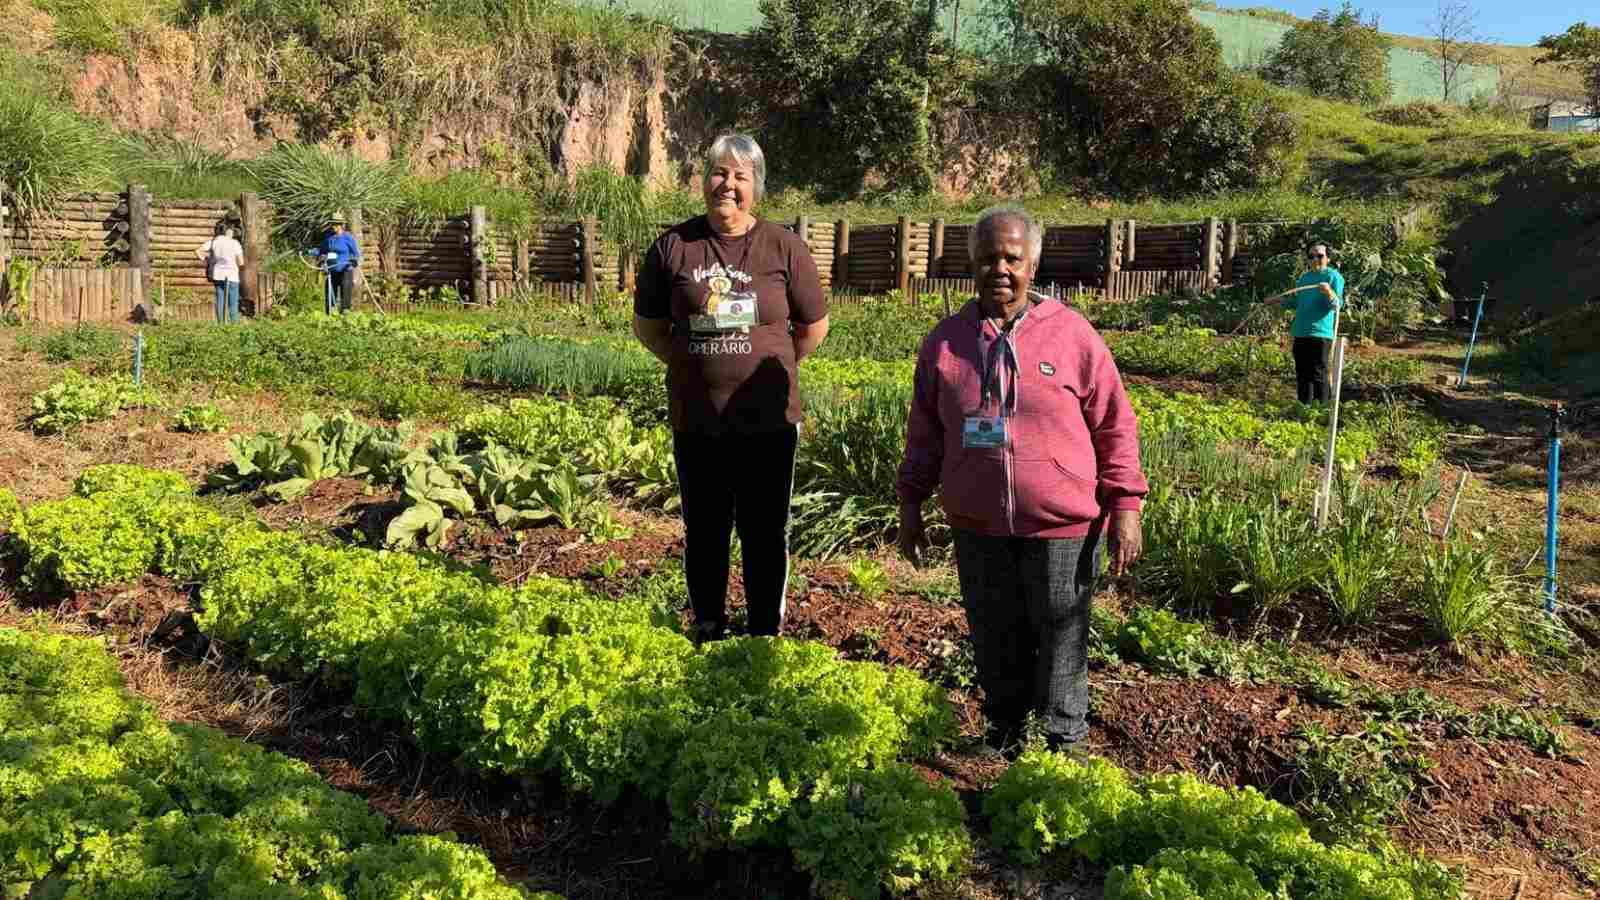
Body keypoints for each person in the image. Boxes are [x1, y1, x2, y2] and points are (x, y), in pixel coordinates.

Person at [896, 206, 1148, 754]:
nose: (1000, 269)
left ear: (1033, 264)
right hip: (978, 520)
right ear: (971, 264)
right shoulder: (945, 342)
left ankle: (1065, 739)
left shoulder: (1072, 335)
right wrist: (910, 503)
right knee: (993, 631)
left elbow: (1114, 423)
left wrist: (1126, 504)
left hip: (1062, 523)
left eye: (1012, 257)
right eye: (988, 258)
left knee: (1062, 633)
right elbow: (925, 433)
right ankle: (1003, 731)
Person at [632, 133, 830, 643]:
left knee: (766, 531)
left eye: (741, 176)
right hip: (698, 417)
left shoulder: (784, 246)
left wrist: (769, 363)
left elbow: (812, 328)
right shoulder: (674, 246)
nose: (728, 185)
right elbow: (649, 326)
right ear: (704, 181)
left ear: (756, 188)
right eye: (719, 173)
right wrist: (691, 363)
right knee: (705, 527)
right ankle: (708, 624)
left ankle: (765, 630)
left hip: (768, 422)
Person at [1262, 241, 1343, 404]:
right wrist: (1277, 300)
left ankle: (1323, 408)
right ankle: (1303, 407)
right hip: (1300, 331)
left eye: (1319, 256)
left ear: (1328, 258)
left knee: (1319, 373)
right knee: (1302, 373)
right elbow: (1297, 302)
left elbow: (1337, 305)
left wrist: (1328, 291)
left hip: (1320, 332)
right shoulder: (1305, 278)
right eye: (1311, 256)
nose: (1315, 259)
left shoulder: (1333, 276)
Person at [308, 214, 361, 315]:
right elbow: (321, 250)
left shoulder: (347, 237)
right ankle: (330, 317)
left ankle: (345, 317)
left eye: (336, 225)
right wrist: (310, 252)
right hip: (331, 271)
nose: (333, 227)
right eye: (332, 224)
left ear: (341, 225)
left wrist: (353, 261)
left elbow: (356, 254)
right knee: (330, 297)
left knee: (345, 296)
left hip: (345, 270)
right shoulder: (329, 238)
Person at [196, 223, 245, 324]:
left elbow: (198, 251)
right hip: (232, 276)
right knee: (233, 302)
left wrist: (208, 258)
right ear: (227, 231)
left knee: (220, 301)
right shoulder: (234, 243)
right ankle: (233, 325)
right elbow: (241, 262)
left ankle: (221, 324)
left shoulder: (213, 242)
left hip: (218, 275)